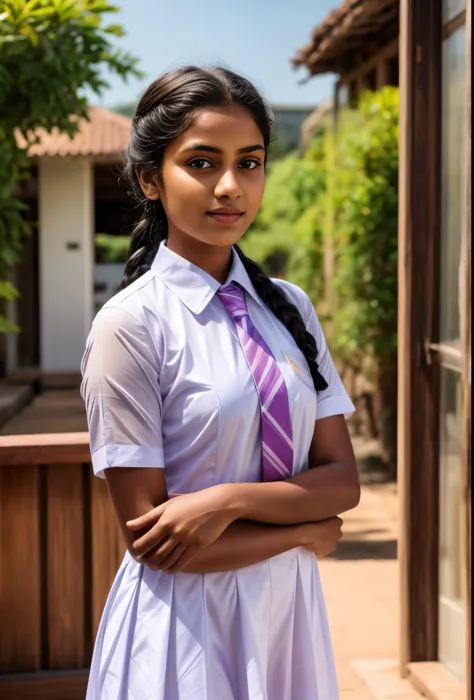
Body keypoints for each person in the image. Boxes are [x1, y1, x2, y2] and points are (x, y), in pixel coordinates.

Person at [81, 65, 360, 700]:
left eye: (251, 162)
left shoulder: (289, 307)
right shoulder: (130, 326)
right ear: (152, 180)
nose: (231, 187)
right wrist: (302, 532)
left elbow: (341, 481)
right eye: (202, 163)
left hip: (287, 617)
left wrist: (222, 501)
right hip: (186, 632)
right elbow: (152, 541)